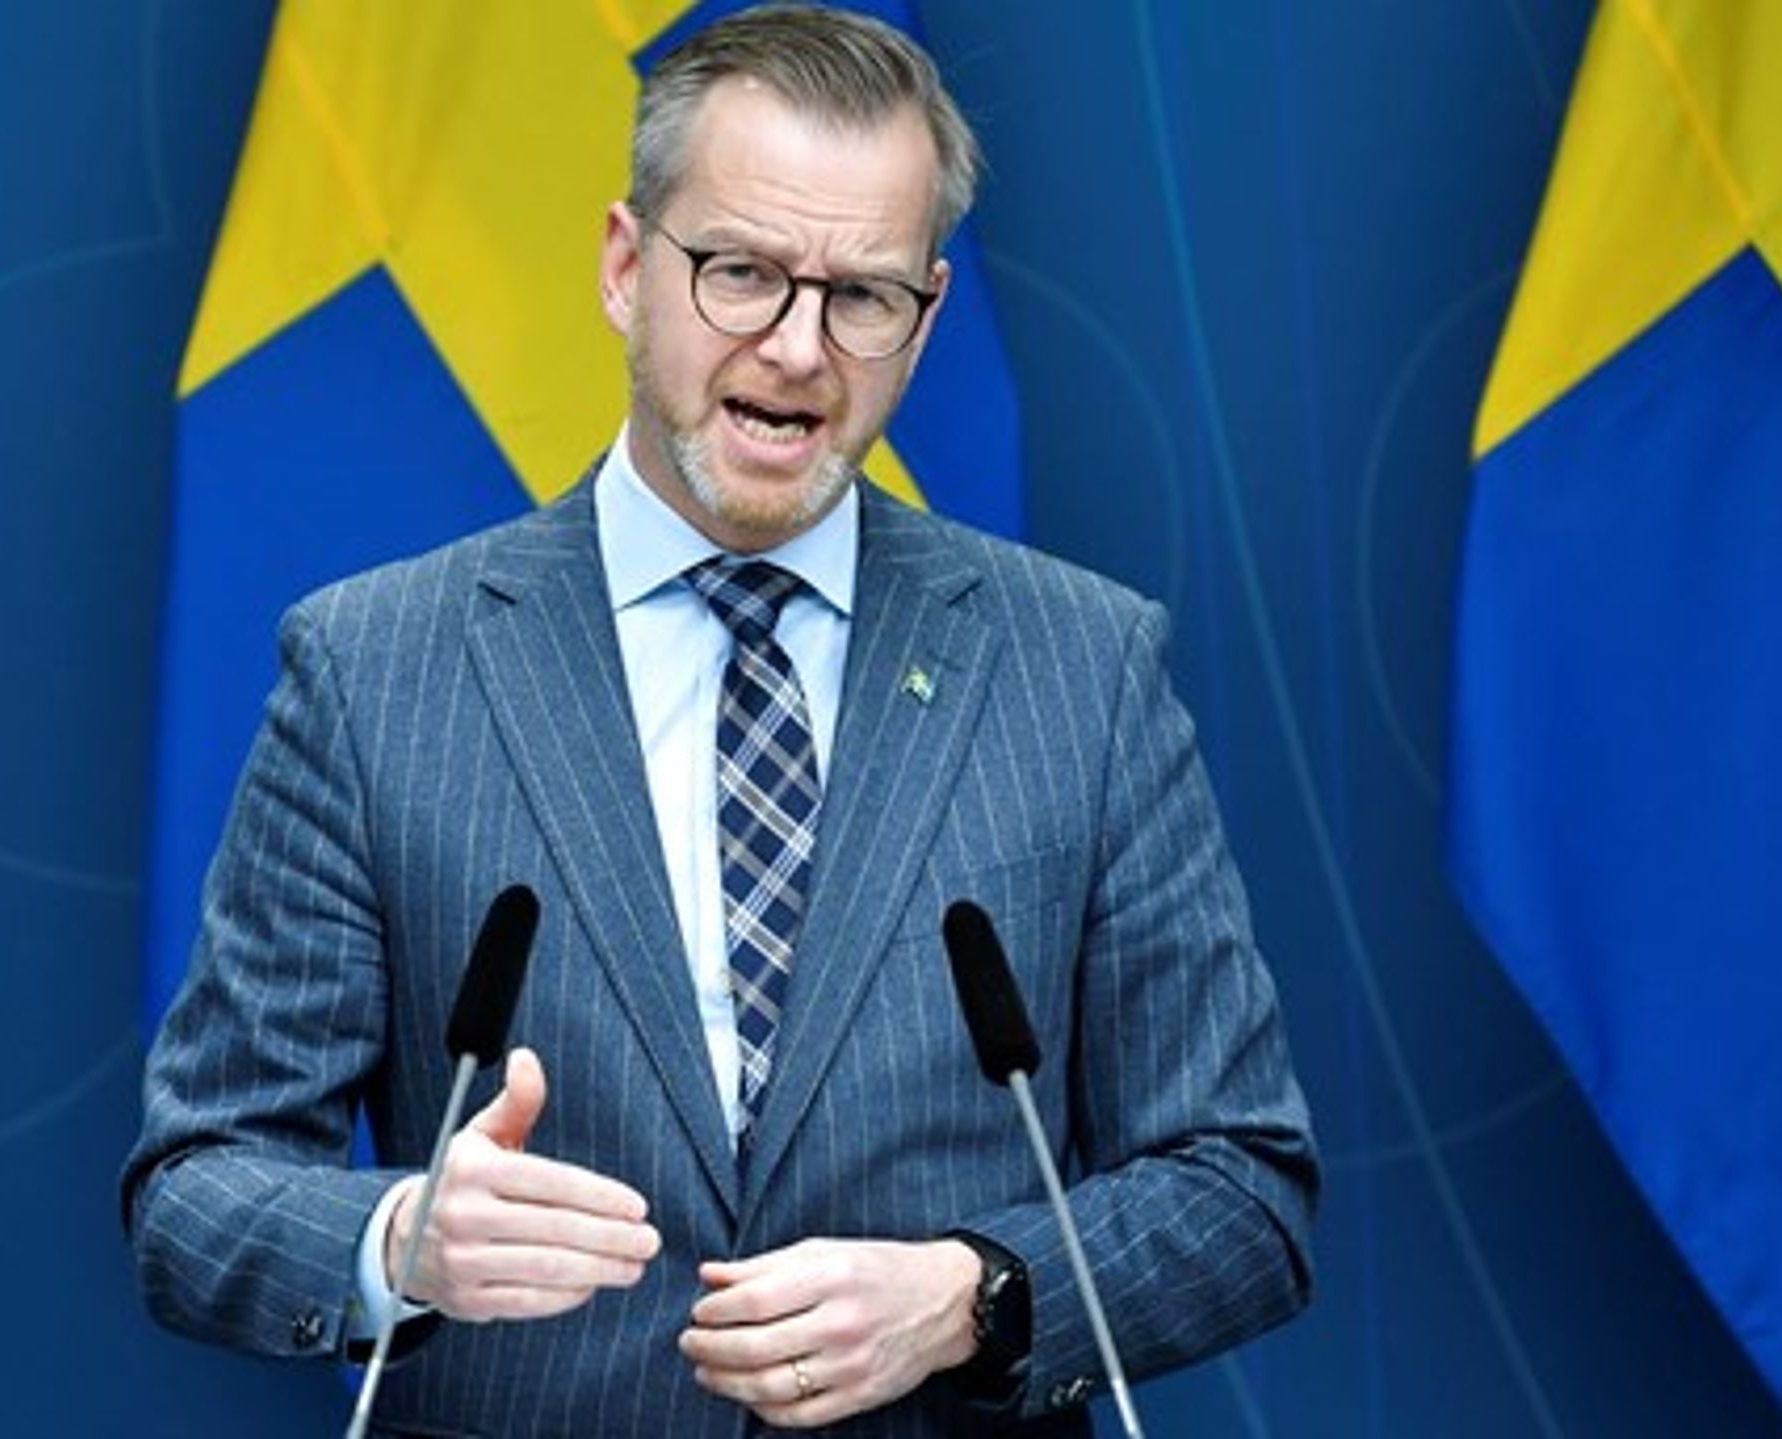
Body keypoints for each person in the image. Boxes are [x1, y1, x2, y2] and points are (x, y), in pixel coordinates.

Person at [123, 6, 1317, 1433]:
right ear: (629, 269)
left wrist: (978, 1293)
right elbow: (198, 1192)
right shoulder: (377, 670)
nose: (798, 350)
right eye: (742, 273)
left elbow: (1244, 1188)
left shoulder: (1083, 669)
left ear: (926, 317)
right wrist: (400, 1242)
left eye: (861, 296)